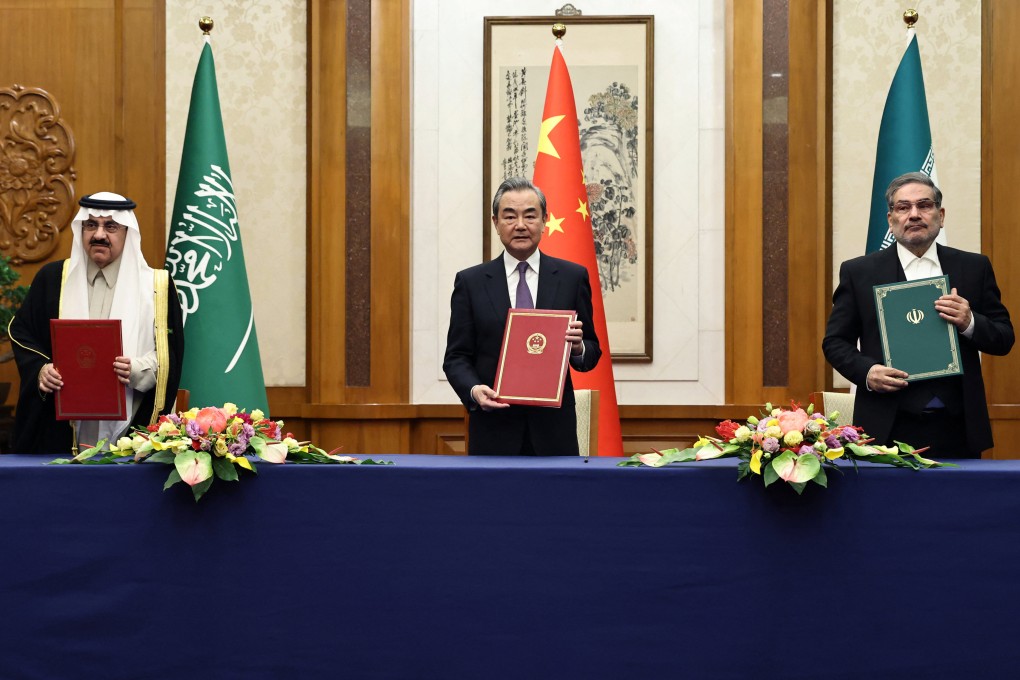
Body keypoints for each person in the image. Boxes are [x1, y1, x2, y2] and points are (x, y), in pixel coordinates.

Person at [823, 172, 1014, 458]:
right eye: (903, 207)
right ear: (890, 219)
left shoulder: (974, 267)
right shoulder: (859, 272)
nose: (914, 214)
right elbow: (835, 342)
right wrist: (867, 372)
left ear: (941, 214)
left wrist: (970, 321)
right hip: (885, 425)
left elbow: (1003, 338)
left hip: (957, 425)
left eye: (924, 205)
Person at [9, 192, 185, 454]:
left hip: (132, 433)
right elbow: (21, 332)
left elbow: (172, 353)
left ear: (128, 233)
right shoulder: (54, 278)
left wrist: (138, 369)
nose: (99, 234)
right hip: (60, 432)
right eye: (91, 225)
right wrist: (40, 369)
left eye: (110, 226)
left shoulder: (156, 287)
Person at [444, 177, 601, 455]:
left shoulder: (572, 278)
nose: (520, 225)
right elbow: (456, 357)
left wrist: (578, 348)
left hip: (554, 433)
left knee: (556, 501)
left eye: (530, 215)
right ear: (495, 222)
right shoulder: (471, 282)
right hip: (493, 430)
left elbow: (591, 351)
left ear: (544, 220)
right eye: (509, 216)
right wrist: (473, 390)